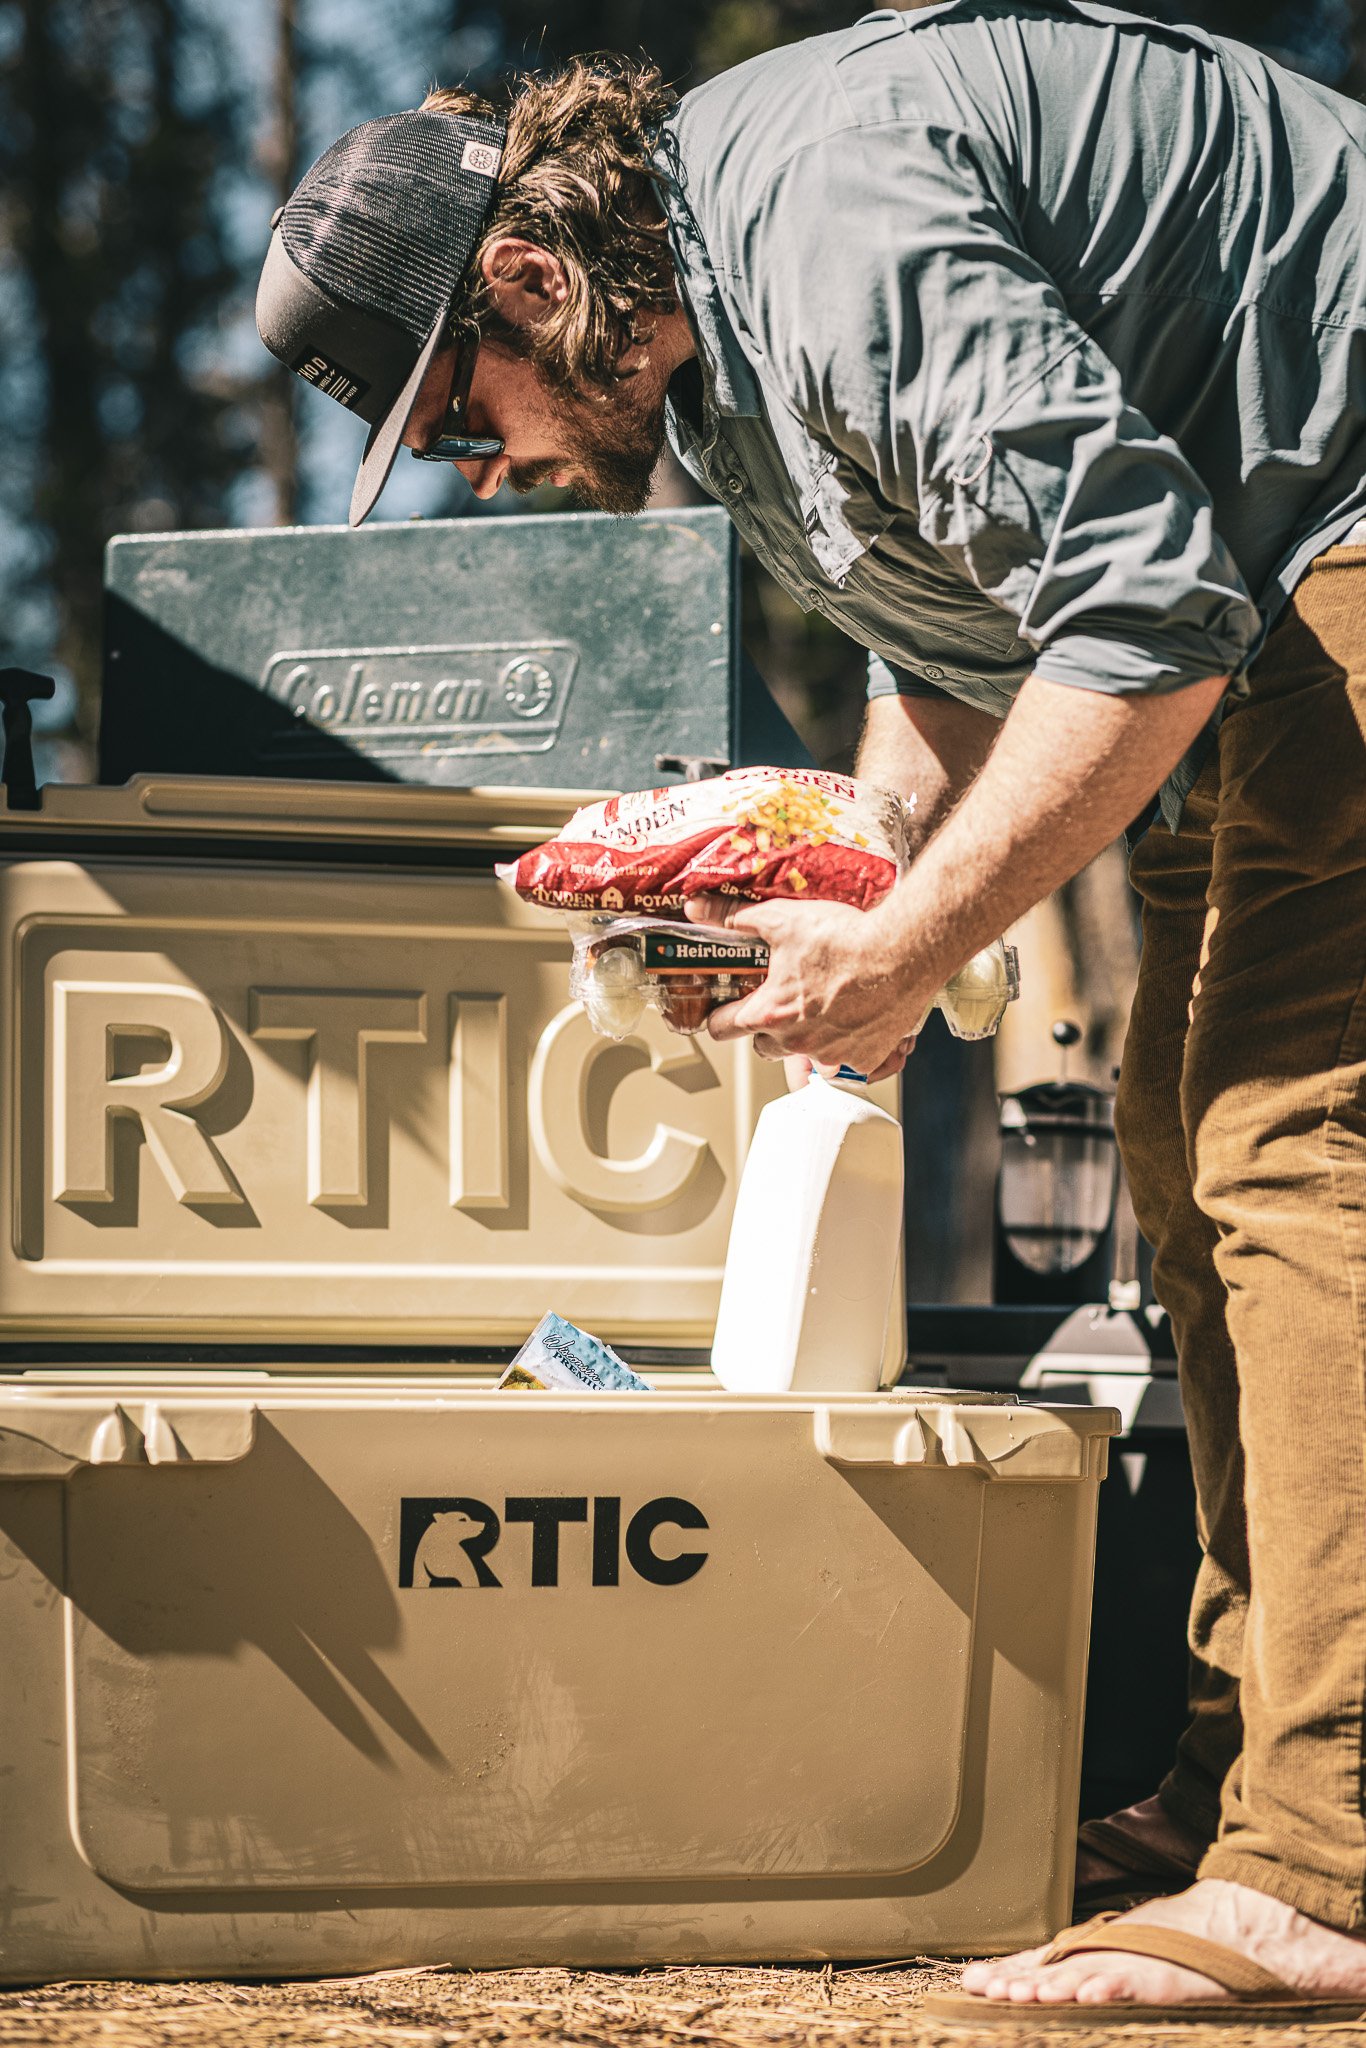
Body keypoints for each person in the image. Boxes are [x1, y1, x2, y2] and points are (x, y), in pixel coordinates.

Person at [256, 1, 1366, 2021]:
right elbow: (949, 661)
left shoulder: (833, 237)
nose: (478, 477)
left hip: (1319, 527)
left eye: (456, 421)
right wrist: (833, 882)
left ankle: (1327, 1855)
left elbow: (1128, 611)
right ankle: (1244, 1782)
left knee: (1295, 1147)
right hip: (1249, 575)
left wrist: (915, 946)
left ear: (525, 281)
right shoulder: (726, 378)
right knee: (1174, 1164)